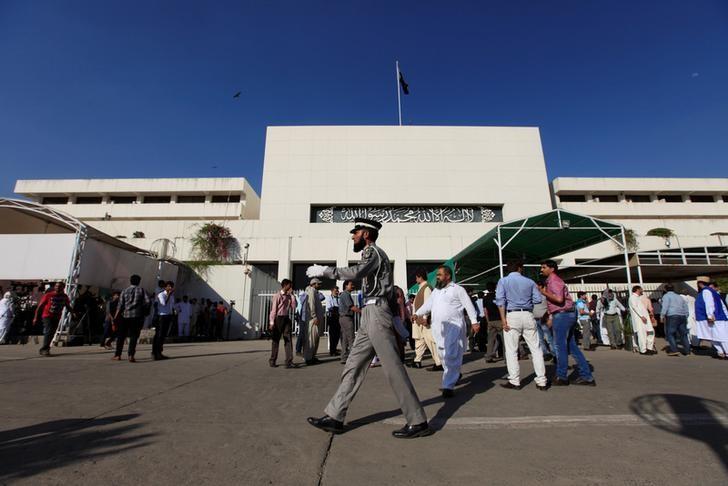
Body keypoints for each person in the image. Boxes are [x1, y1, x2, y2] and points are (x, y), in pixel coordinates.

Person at [306, 218, 431, 439]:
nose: (352, 235)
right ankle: (335, 416)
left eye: (355, 232)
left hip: (376, 312)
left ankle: (418, 420)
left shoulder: (371, 252)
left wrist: (326, 271)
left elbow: (356, 273)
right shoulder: (372, 253)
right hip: (369, 313)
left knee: (393, 368)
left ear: (366, 233)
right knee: (353, 365)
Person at [413, 265, 479, 397]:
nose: (437, 277)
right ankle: (455, 374)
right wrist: (418, 313)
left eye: (439, 275)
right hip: (438, 328)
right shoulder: (436, 291)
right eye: (437, 275)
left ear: (448, 276)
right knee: (442, 354)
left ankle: (448, 386)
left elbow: (469, 306)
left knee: (450, 354)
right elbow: (428, 305)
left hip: (454, 326)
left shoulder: (458, 290)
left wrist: (474, 322)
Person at [540, 260, 595, 386]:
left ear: (552, 269)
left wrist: (544, 293)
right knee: (572, 347)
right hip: (564, 314)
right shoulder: (551, 281)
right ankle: (586, 376)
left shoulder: (554, 281)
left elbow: (559, 299)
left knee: (560, 346)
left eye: (544, 267)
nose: (541, 270)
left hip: (563, 315)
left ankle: (562, 376)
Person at [494, 260, 548, 391]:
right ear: (520, 268)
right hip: (528, 315)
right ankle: (542, 381)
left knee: (511, 350)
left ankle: (515, 380)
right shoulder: (530, 282)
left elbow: (500, 301)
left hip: (512, 315)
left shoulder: (503, 281)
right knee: (536, 349)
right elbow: (537, 299)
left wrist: (503, 320)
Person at [113, 274, 151, 362]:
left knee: (121, 336)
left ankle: (118, 355)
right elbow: (148, 301)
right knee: (134, 336)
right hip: (137, 316)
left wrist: (115, 317)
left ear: (130, 281)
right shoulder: (142, 290)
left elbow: (120, 305)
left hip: (125, 316)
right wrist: (143, 310)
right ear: (139, 282)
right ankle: (131, 355)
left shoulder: (124, 291)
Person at [410, 268, 442, 370]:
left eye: (416, 277)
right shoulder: (422, 287)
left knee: (430, 341)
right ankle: (417, 361)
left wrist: (425, 317)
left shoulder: (427, 288)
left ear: (420, 277)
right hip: (419, 320)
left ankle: (439, 363)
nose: (415, 279)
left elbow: (428, 304)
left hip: (424, 320)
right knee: (420, 340)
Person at [33, 282, 73, 356]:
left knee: (52, 333)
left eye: (59, 286)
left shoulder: (64, 296)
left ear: (63, 288)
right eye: (56, 286)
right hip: (47, 316)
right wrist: (35, 317)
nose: (57, 287)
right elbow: (40, 306)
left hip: (57, 316)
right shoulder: (48, 295)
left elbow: (67, 306)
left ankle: (46, 348)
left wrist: (73, 313)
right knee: (49, 331)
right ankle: (44, 349)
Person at [695, 276, 728, 358]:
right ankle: (721, 351)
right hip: (714, 317)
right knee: (712, 335)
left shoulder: (706, 291)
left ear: (700, 283)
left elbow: (709, 304)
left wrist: (710, 315)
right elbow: (722, 306)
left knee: (721, 336)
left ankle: (725, 352)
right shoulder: (711, 292)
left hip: (714, 317)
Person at [268, 279, 296, 368]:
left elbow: (294, 307)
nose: (291, 287)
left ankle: (288, 361)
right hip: (278, 318)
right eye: (289, 285)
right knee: (275, 340)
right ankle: (272, 360)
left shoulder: (289, 296)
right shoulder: (277, 296)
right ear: (285, 285)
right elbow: (273, 310)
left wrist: (292, 296)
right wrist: (272, 322)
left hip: (286, 318)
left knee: (288, 339)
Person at [660, 283, 690, 356]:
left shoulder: (666, 296)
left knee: (670, 333)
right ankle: (687, 351)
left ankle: (674, 349)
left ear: (665, 289)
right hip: (682, 315)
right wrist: (686, 315)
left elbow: (665, 306)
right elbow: (685, 306)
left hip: (672, 315)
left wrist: (662, 316)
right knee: (683, 334)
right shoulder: (679, 296)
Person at [303, 278, 325, 365]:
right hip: (313, 320)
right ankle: (308, 358)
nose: (320, 285)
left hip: (316, 319)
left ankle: (312, 356)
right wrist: (314, 317)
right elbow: (311, 305)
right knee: (311, 340)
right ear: (314, 284)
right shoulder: (311, 291)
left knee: (315, 339)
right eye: (318, 284)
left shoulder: (315, 292)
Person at [629, 285, 655, 355]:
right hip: (639, 320)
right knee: (642, 335)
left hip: (645, 319)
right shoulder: (632, 298)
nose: (642, 290)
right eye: (641, 289)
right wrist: (642, 316)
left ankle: (649, 348)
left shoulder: (638, 298)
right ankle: (643, 350)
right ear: (637, 290)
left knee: (651, 332)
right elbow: (635, 308)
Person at [338, 280, 359, 363]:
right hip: (346, 318)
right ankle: (353, 358)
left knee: (345, 339)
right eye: (351, 284)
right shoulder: (346, 294)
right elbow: (351, 307)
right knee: (351, 338)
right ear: (346, 286)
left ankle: (344, 357)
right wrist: (362, 311)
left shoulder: (345, 294)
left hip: (343, 318)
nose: (353, 286)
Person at [153, 281, 175, 360]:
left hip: (168, 316)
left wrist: (172, 313)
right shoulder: (161, 294)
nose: (170, 288)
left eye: (171, 286)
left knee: (163, 335)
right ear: (165, 287)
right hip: (161, 316)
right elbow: (163, 303)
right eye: (169, 286)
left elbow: (171, 306)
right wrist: (168, 295)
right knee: (159, 335)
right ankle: (156, 353)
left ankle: (159, 352)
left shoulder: (172, 296)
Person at [483, 281, 504, 363]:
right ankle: (507, 357)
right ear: (495, 287)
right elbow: (501, 306)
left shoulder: (485, 298)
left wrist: (488, 320)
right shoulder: (497, 296)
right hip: (499, 319)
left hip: (491, 320)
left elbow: (485, 310)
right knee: (504, 340)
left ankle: (488, 357)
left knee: (490, 340)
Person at [326, 286, 341, 357]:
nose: (337, 292)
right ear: (331, 291)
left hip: (338, 317)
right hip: (332, 317)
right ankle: (332, 350)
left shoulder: (339, 298)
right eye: (335, 291)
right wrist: (337, 309)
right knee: (332, 335)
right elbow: (329, 307)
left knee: (337, 334)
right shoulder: (329, 298)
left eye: (337, 291)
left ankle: (334, 349)